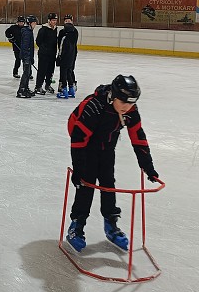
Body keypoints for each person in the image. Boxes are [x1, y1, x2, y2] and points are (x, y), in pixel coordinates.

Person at [65, 75, 159, 253]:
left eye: (131, 103)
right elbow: (78, 140)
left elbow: (138, 137)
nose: (126, 107)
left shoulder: (130, 110)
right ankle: (76, 225)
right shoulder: (94, 107)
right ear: (113, 96)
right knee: (86, 185)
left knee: (108, 183)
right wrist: (78, 169)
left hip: (107, 145)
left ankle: (111, 223)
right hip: (87, 146)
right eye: (123, 102)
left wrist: (148, 166)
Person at [34, 12, 58, 95]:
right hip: (44, 55)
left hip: (52, 54)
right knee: (42, 71)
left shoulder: (55, 29)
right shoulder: (43, 29)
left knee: (50, 71)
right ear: (49, 21)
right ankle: (38, 86)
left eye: (55, 20)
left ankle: (48, 85)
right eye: (53, 20)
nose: (54, 22)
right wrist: (44, 49)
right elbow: (38, 41)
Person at [56, 15, 78, 99]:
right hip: (71, 54)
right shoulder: (66, 32)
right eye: (66, 21)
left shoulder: (68, 33)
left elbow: (61, 46)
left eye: (69, 21)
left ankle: (64, 89)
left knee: (64, 72)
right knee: (69, 71)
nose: (67, 23)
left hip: (66, 55)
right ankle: (71, 88)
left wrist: (59, 56)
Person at [16, 15, 38, 98]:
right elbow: (25, 46)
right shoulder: (27, 32)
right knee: (26, 73)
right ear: (30, 23)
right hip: (26, 56)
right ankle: (21, 90)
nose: (35, 25)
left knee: (28, 73)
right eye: (34, 23)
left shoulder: (29, 31)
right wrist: (27, 57)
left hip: (28, 56)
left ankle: (26, 88)